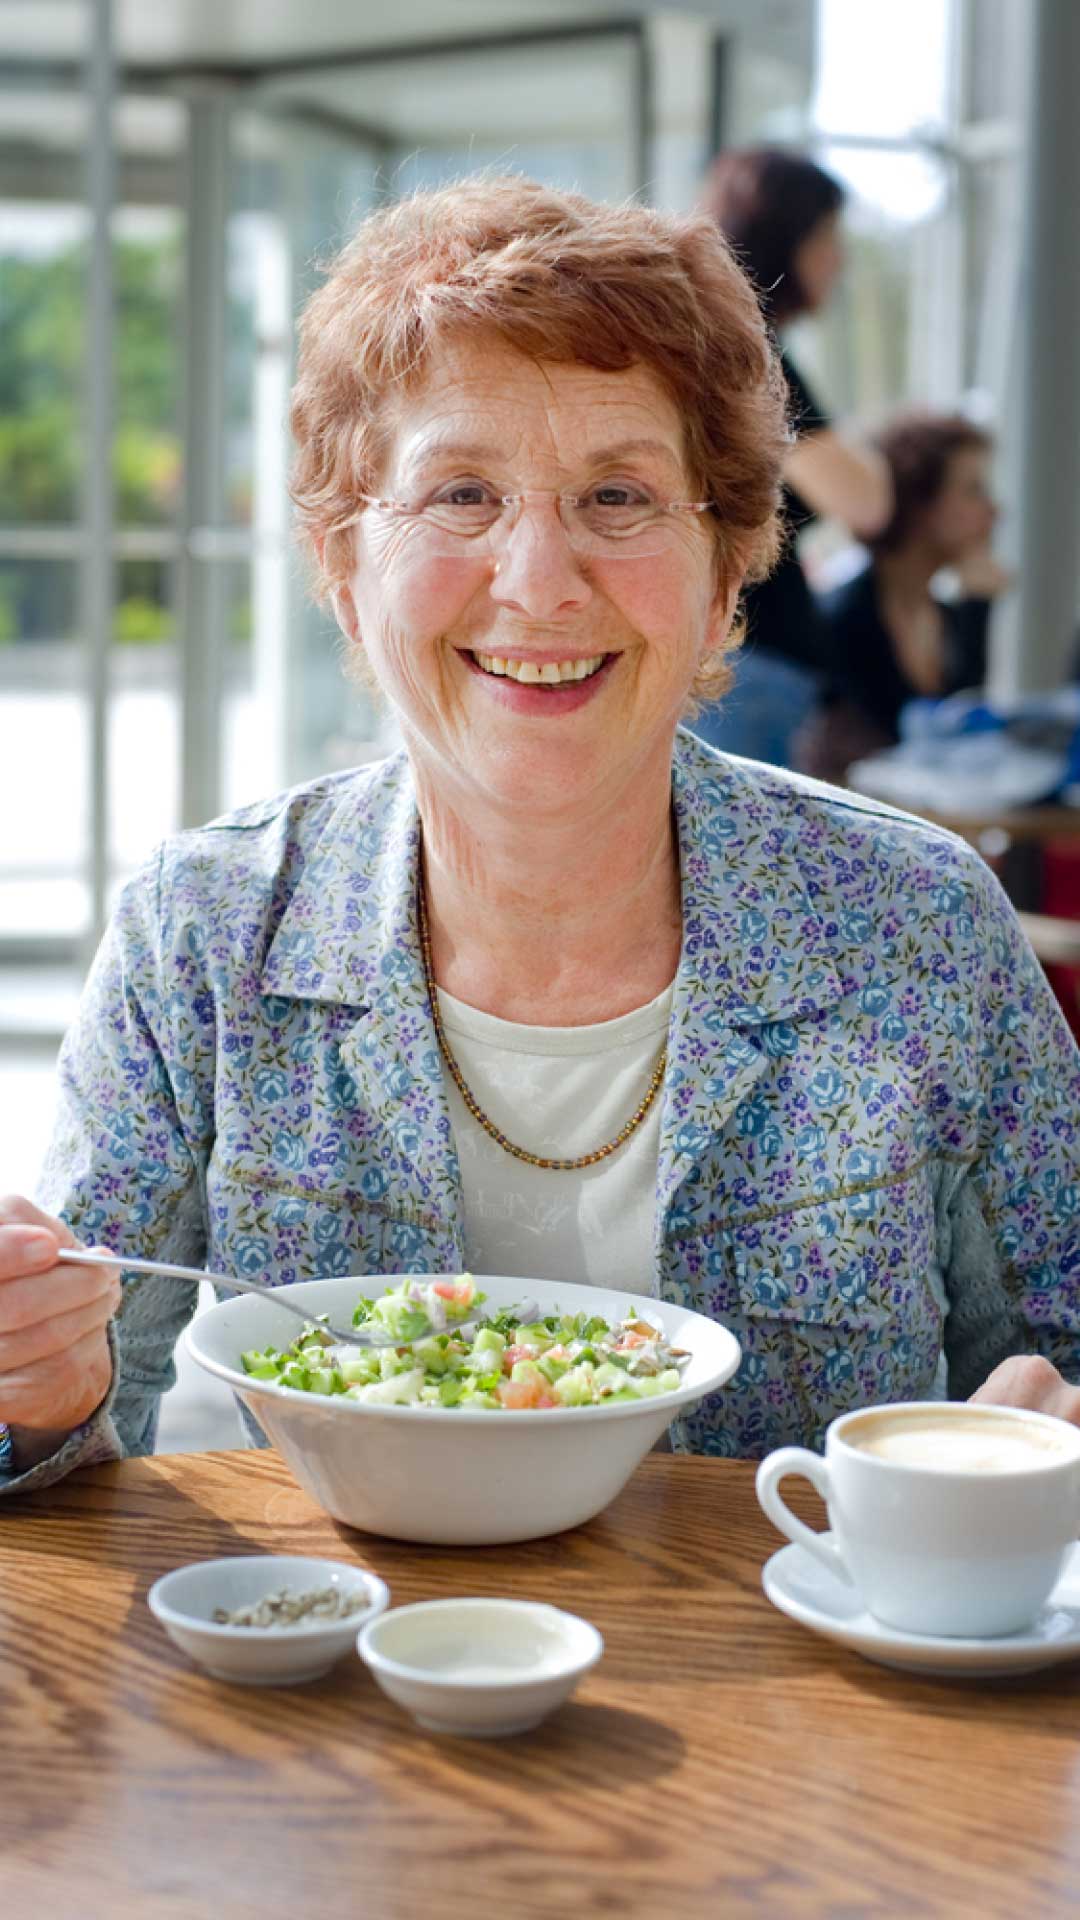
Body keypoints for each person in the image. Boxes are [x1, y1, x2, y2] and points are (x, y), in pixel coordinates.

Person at [1, 177, 1077, 1493]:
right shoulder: (206, 930)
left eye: (618, 497)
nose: (539, 581)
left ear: (730, 562)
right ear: (346, 562)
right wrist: (39, 1399)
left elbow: (1054, 1359)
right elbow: (71, 1443)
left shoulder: (917, 924)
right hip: (312, 1681)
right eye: (460, 492)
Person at [689, 146, 893, 767]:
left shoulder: (734, 348)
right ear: (785, 238)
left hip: (749, 665)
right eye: (827, 235)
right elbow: (865, 502)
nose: (839, 258)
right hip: (745, 668)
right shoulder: (749, 354)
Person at [802, 411, 1011, 783]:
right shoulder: (842, 616)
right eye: (973, 489)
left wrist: (978, 608)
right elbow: (901, 744)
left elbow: (962, 736)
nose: (995, 511)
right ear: (919, 503)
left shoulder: (947, 615)